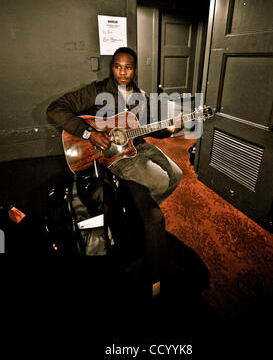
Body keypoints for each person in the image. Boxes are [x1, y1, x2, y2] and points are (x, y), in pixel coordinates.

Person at [47, 46, 183, 297]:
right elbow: (55, 109)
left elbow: (148, 128)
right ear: (112, 68)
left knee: (176, 175)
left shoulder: (141, 96)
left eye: (128, 67)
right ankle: (140, 215)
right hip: (113, 155)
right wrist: (90, 133)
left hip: (137, 144)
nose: (123, 72)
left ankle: (141, 209)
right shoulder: (97, 90)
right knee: (160, 184)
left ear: (135, 69)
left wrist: (169, 130)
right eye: (118, 66)